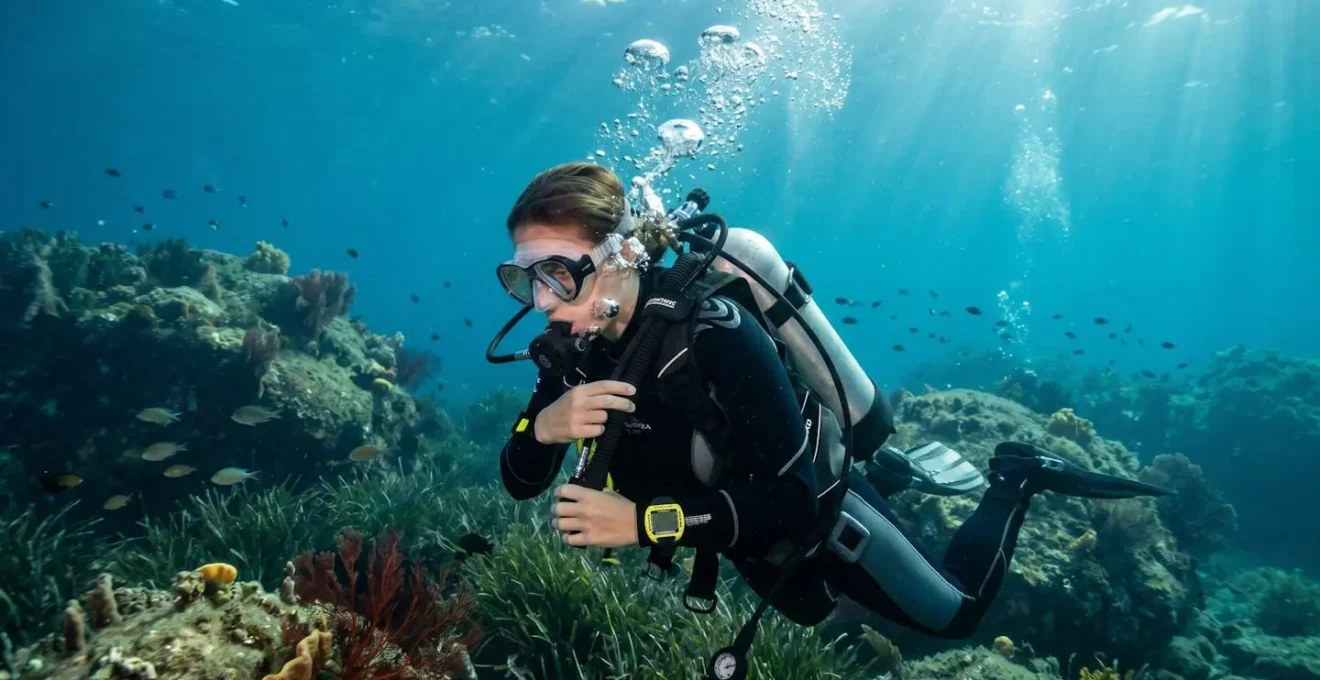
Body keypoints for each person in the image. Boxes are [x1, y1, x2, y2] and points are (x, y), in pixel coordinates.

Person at [493, 162, 1171, 649]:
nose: (544, 302)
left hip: (818, 506)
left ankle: (1015, 478)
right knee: (812, 609)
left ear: (621, 255)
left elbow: (790, 501)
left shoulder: (714, 335)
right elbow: (520, 480)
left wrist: (642, 523)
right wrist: (546, 426)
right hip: (730, 524)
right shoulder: (570, 350)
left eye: (559, 272)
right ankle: (899, 473)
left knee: (955, 615)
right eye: (526, 279)